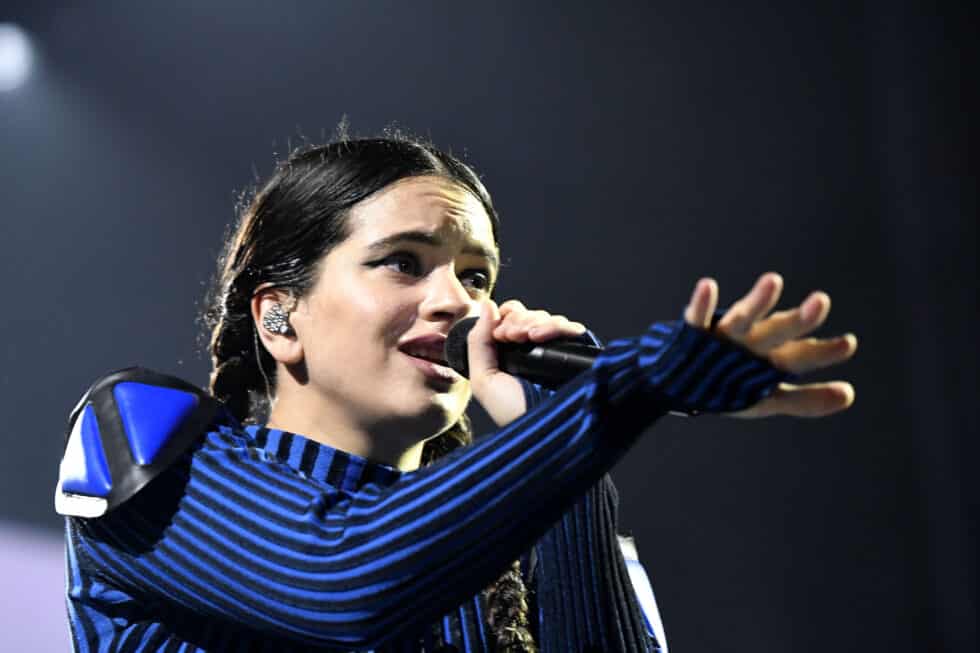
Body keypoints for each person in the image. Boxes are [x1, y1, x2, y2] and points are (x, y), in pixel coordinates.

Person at [57, 135, 857, 652]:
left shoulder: (509, 535)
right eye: (404, 262)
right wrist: (620, 392)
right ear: (279, 314)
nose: (462, 304)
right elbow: (346, 578)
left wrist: (564, 447)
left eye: (476, 276)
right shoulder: (139, 438)